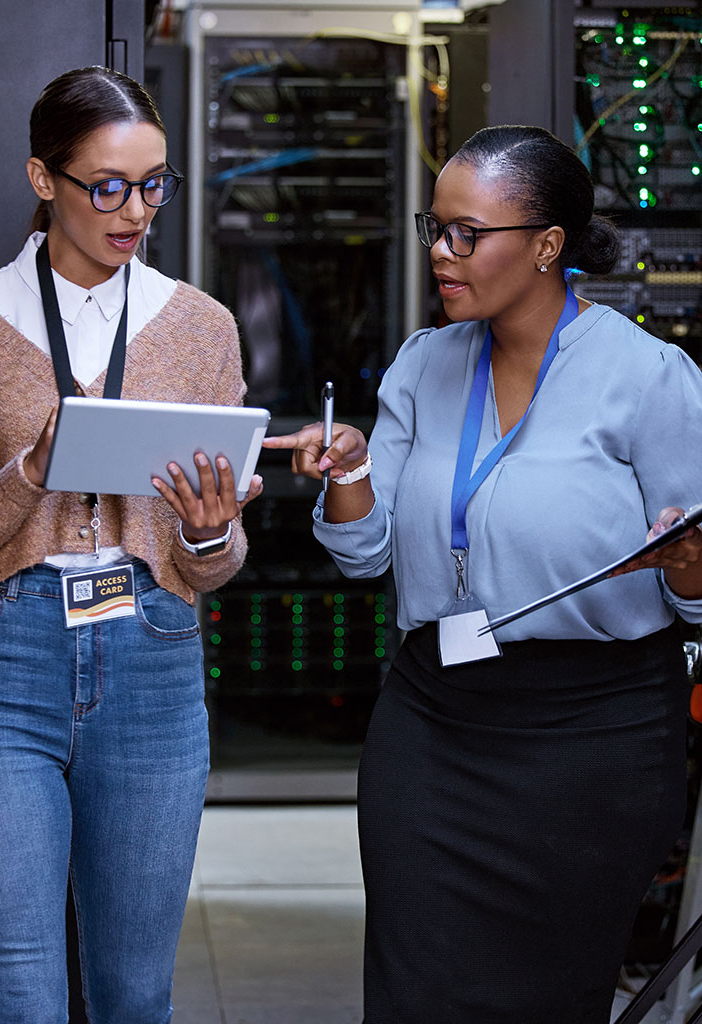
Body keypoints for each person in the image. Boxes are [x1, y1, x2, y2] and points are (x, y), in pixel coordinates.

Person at [263, 124, 702, 1024]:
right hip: (433, 720)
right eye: (436, 227)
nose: (440, 252)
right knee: (411, 990)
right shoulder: (424, 366)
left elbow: (690, 586)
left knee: (548, 995)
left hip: (592, 735)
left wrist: (690, 564)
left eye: (468, 234)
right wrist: (347, 473)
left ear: (547, 247)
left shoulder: (648, 378)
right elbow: (364, 554)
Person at [0, 66, 261, 1024]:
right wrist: (29, 471)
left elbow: (209, 570)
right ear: (42, 179)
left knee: (136, 993)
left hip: (152, 667)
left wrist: (209, 528)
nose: (134, 209)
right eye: (107, 185)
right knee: (19, 993)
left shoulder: (201, 328)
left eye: (154, 184)